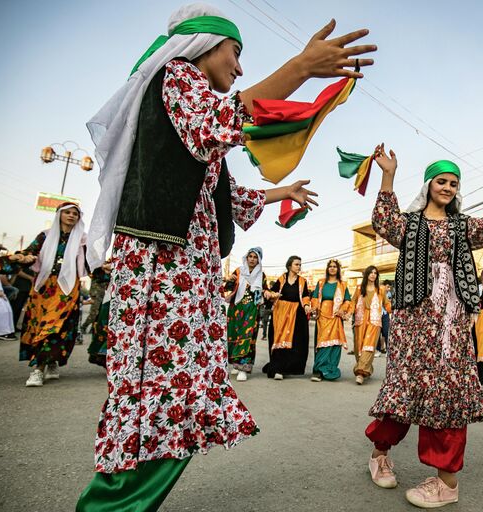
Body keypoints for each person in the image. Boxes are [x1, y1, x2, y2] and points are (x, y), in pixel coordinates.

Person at [76, 4, 375, 510]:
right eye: (236, 54)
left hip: (186, 277)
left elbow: (230, 197)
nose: (239, 68)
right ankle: (108, 507)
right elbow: (222, 120)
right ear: (203, 46)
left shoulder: (193, 115)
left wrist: (284, 193)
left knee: (180, 405)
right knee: (162, 403)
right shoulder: (177, 77)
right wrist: (301, 67)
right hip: (160, 273)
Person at [364, 143, 483, 508]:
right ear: (428, 186)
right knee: (405, 383)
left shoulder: (462, 226)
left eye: (454, 184)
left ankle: (445, 480)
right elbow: (383, 221)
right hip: (413, 320)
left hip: (452, 322)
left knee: (448, 389)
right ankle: (379, 454)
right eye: (442, 181)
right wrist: (388, 174)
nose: (448, 188)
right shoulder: (409, 224)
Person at [11, 202, 87, 387]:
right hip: (43, 287)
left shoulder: (82, 239)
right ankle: (50, 362)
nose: (71, 216)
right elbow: (30, 252)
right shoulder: (45, 236)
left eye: (75, 213)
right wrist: (24, 257)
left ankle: (38, 369)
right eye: (67, 212)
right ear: (59, 214)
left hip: (67, 289)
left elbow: (91, 262)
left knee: (56, 327)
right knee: (40, 327)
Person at [264, 255, 312, 380]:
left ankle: (288, 368)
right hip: (280, 313)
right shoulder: (282, 279)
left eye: (300, 265)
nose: (299, 267)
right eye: (296, 264)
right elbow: (272, 292)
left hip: (296, 314)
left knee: (294, 342)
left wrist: (306, 305)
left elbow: (306, 295)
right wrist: (271, 294)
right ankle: (277, 368)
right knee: (279, 340)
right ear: (289, 265)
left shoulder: (302, 281)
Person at [225, 247, 266, 381]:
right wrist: (230, 280)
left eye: (255, 257)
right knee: (234, 335)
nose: (252, 259)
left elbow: (265, 291)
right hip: (236, 308)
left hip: (252, 310)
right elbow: (228, 289)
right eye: (250, 256)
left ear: (258, 259)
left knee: (247, 337)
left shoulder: (261, 275)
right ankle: (236, 365)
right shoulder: (238, 271)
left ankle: (245, 367)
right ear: (246, 258)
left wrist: (269, 293)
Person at [310, 259, 352, 381]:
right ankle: (318, 371)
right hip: (323, 316)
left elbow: (347, 300)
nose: (332, 268)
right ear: (327, 269)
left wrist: (342, 310)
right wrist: (315, 307)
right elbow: (314, 297)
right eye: (330, 266)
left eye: (335, 266)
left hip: (336, 317)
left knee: (334, 343)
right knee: (322, 344)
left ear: (338, 269)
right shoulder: (321, 283)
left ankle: (330, 370)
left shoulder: (343, 285)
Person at [352, 265, 391, 384]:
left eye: (375, 273)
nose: (373, 275)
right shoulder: (359, 289)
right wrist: (347, 312)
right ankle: (366, 369)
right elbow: (352, 303)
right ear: (366, 275)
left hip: (374, 321)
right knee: (359, 346)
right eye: (371, 272)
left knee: (368, 346)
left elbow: (387, 304)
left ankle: (360, 373)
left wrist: (397, 310)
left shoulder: (381, 290)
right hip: (360, 320)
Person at [87, 261, 113, 367]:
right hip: (105, 296)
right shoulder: (101, 264)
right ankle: (102, 355)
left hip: (111, 294)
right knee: (101, 321)